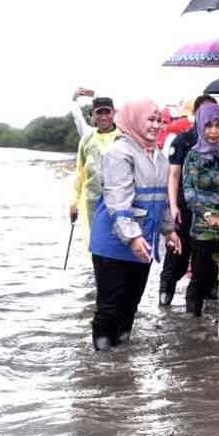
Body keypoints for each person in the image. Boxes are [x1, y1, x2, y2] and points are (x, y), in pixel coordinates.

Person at [89, 100, 180, 350]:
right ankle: (103, 367)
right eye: (149, 119)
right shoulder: (120, 153)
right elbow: (118, 200)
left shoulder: (159, 157)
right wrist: (132, 237)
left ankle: (123, 367)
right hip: (113, 244)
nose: (155, 125)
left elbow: (160, 200)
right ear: (135, 120)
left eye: (158, 120)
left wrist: (169, 230)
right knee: (109, 306)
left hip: (144, 242)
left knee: (130, 305)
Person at [181, 102, 219, 317]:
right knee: (200, 277)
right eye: (208, 126)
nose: (214, 131)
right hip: (203, 227)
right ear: (200, 127)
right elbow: (188, 191)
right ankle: (192, 321)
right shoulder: (193, 156)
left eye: (218, 125)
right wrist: (207, 214)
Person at [158, 94, 215, 306]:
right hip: (183, 205)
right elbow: (173, 176)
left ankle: (200, 301)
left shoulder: (218, 142)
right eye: (204, 112)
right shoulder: (183, 140)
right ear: (195, 114)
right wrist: (172, 206)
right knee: (177, 255)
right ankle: (166, 293)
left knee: (204, 258)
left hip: (209, 209)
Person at [69, 95, 120, 262]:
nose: (103, 117)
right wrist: (74, 202)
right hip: (92, 201)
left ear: (114, 113)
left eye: (107, 112)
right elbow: (80, 173)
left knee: (118, 242)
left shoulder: (124, 137)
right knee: (96, 246)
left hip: (120, 200)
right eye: (99, 113)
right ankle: (98, 283)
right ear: (92, 116)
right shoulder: (87, 139)